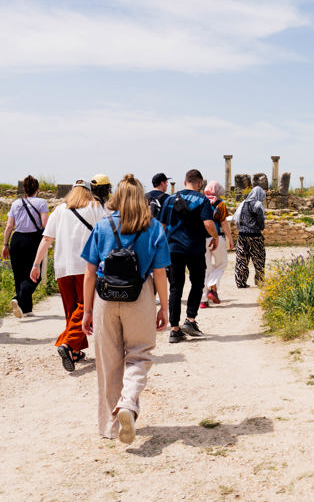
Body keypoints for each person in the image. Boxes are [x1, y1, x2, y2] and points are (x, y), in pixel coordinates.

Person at [80, 174, 170, 444]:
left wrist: (87, 311)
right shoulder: (153, 228)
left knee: (108, 363)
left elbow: (89, 272)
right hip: (139, 295)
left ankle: (110, 426)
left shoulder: (102, 226)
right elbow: (160, 273)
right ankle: (128, 404)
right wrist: (164, 308)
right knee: (139, 355)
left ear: (117, 197)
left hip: (105, 298)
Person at [30, 180, 106, 371]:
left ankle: (74, 351)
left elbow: (47, 239)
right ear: (89, 192)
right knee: (87, 306)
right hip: (86, 265)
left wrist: (36, 264)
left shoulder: (59, 210)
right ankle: (67, 344)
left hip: (62, 267)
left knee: (71, 310)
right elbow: (106, 233)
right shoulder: (95, 207)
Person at [158, 169, 218, 343]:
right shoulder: (202, 200)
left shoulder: (170, 199)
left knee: (175, 287)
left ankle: (174, 330)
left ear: (185, 182)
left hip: (173, 249)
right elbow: (208, 223)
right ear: (199, 183)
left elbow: (161, 226)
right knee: (197, 283)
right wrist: (215, 237)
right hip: (194, 248)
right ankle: (190, 320)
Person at [2, 175, 49, 317]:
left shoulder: (16, 203)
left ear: (24, 189)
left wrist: (5, 244)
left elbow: (9, 226)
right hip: (34, 239)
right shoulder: (41, 202)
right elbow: (44, 224)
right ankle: (19, 299)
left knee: (19, 275)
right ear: (37, 189)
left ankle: (25, 309)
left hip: (17, 239)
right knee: (36, 274)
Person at [202, 180, 232, 306]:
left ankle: (203, 300)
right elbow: (224, 223)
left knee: (205, 268)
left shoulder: (200, 202)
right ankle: (212, 286)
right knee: (221, 263)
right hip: (216, 237)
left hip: (202, 238)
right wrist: (230, 238)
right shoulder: (220, 204)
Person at [233, 186, 267, 288]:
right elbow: (261, 220)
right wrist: (262, 227)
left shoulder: (243, 203)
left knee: (242, 259)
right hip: (255, 235)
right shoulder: (257, 205)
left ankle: (240, 282)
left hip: (242, 234)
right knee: (259, 259)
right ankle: (260, 281)